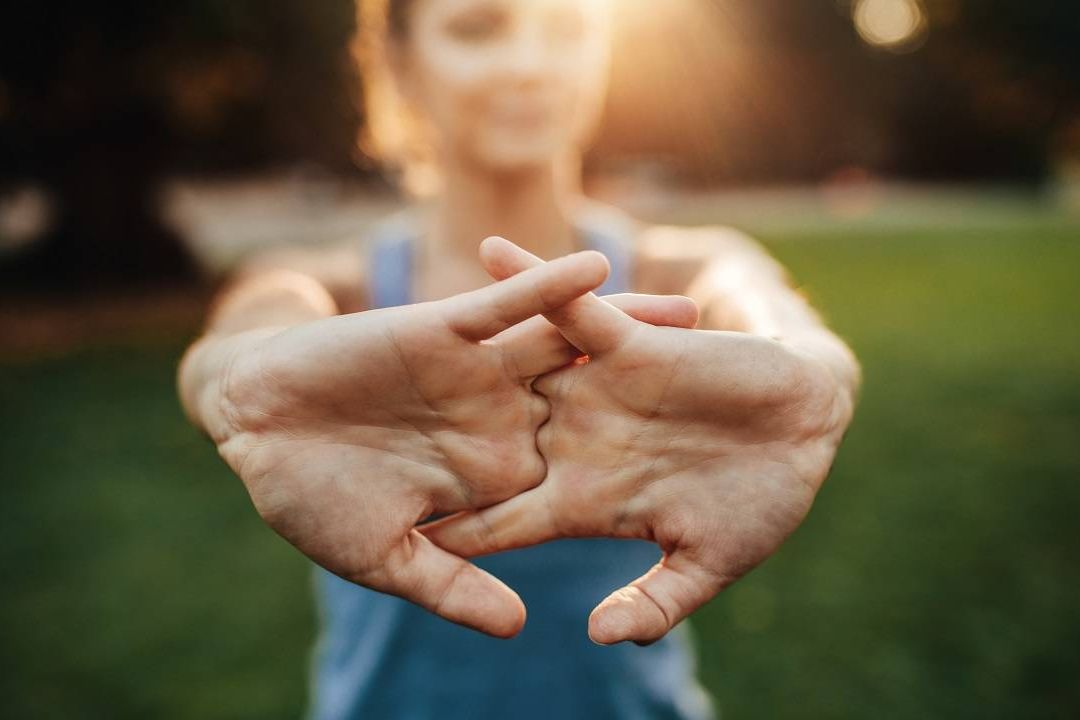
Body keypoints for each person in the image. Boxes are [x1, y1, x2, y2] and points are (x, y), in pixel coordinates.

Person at [177, 0, 861, 717]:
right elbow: (243, 341)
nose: (531, 66)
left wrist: (815, 378)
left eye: (568, 29)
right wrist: (236, 386)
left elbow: (771, 320)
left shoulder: (684, 270)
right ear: (400, 65)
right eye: (478, 28)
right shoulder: (328, 284)